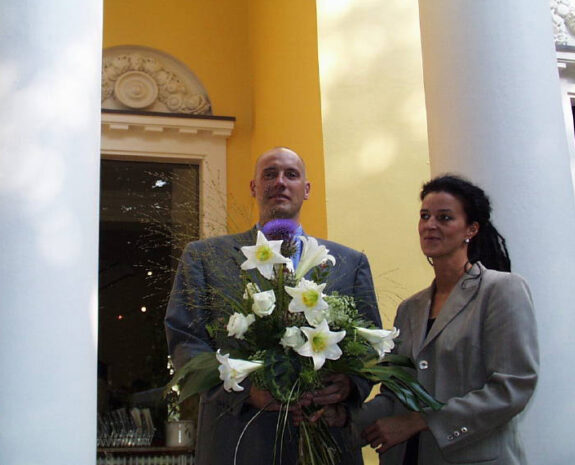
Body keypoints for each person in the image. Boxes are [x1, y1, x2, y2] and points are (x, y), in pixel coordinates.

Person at [164, 146, 381, 465]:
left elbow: (369, 342)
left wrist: (348, 386)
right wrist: (246, 390)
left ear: (306, 190)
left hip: (325, 440)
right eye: (270, 174)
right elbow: (186, 342)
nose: (280, 182)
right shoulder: (205, 258)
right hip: (239, 439)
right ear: (253, 187)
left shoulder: (350, 263)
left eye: (291, 175)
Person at [327, 174, 538, 464]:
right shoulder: (409, 308)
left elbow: (512, 388)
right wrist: (343, 418)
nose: (430, 225)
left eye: (445, 217)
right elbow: (394, 396)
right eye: (424, 216)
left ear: (471, 229)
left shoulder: (501, 290)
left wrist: (420, 421)